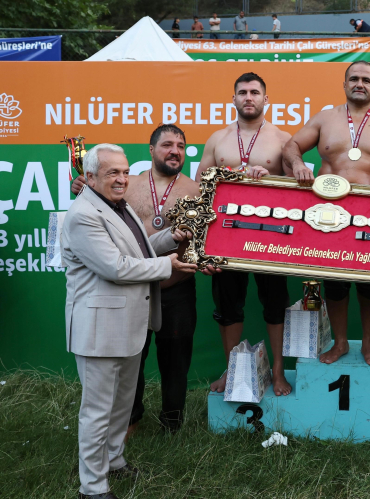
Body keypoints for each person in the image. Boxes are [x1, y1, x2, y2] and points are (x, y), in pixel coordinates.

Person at [63, 143, 197, 499]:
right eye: (113, 173)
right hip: (99, 329)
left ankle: (114, 461)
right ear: (90, 177)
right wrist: (168, 264)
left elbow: (139, 249)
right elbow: (116, 267)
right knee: (97, 411)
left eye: (125, 171)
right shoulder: (83, 214)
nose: (122, 179)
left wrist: (172, 237)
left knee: (122, 405)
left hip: (128, 325)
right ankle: (92, 487)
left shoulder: (119, 206)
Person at [282, 61, 370, 366]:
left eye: (366, 80)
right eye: (354, 78)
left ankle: (368, 343)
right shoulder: (325, 118)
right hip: (328, 210)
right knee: (335, 281)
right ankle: (340, 342)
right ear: (344, 84)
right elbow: (291, 146)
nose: (360, 83)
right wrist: (298, 164)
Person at [196, 72, 294, 396]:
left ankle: (278, 371)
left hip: (270, 235)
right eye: (242, 92)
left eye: (254, 92)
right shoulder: (218, 139)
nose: (248, 97)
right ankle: (232, 370)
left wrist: (271, 179)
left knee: (275, 304)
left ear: (266, 99)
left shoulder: (283, 139)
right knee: (227, 306)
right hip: (226, 235)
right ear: (234, 99)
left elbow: (298, 191)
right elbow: (200, 187)